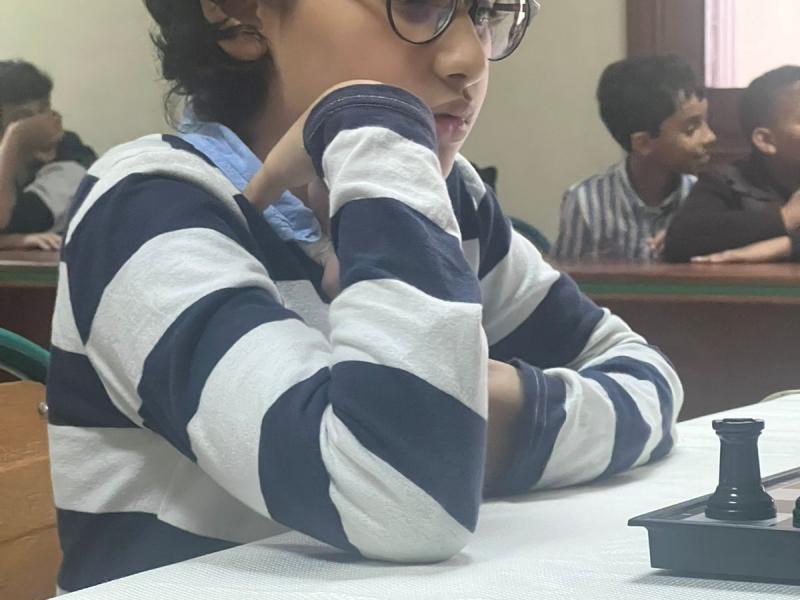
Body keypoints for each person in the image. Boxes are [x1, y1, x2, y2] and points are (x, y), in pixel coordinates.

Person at [47, 0, 683, 593]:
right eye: (416, 4)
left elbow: (649, 377)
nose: (470, 58)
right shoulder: (145, 208)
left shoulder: (448, 198)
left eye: (487, 11)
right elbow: (404, 501)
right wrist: (367, 122)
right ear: (240, 15)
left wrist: (508, 415)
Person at [552, 55, 716, 261]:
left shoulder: (705, 201)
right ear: (644, 143)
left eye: (706, 122)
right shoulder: (586, 202)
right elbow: (568, 276)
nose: (710, 137)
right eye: (691, 129)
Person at [664, 65, 800, 263]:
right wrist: (783, 218)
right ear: (766, 140)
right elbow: (681, 238)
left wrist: (788, 246)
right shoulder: (726, 182)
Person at [0, 60, 96, 250]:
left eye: (45, 109)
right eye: (22, 118)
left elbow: (14, 221)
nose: (42, 122)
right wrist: (11, 241)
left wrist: (14, 138)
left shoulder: (72, 158)